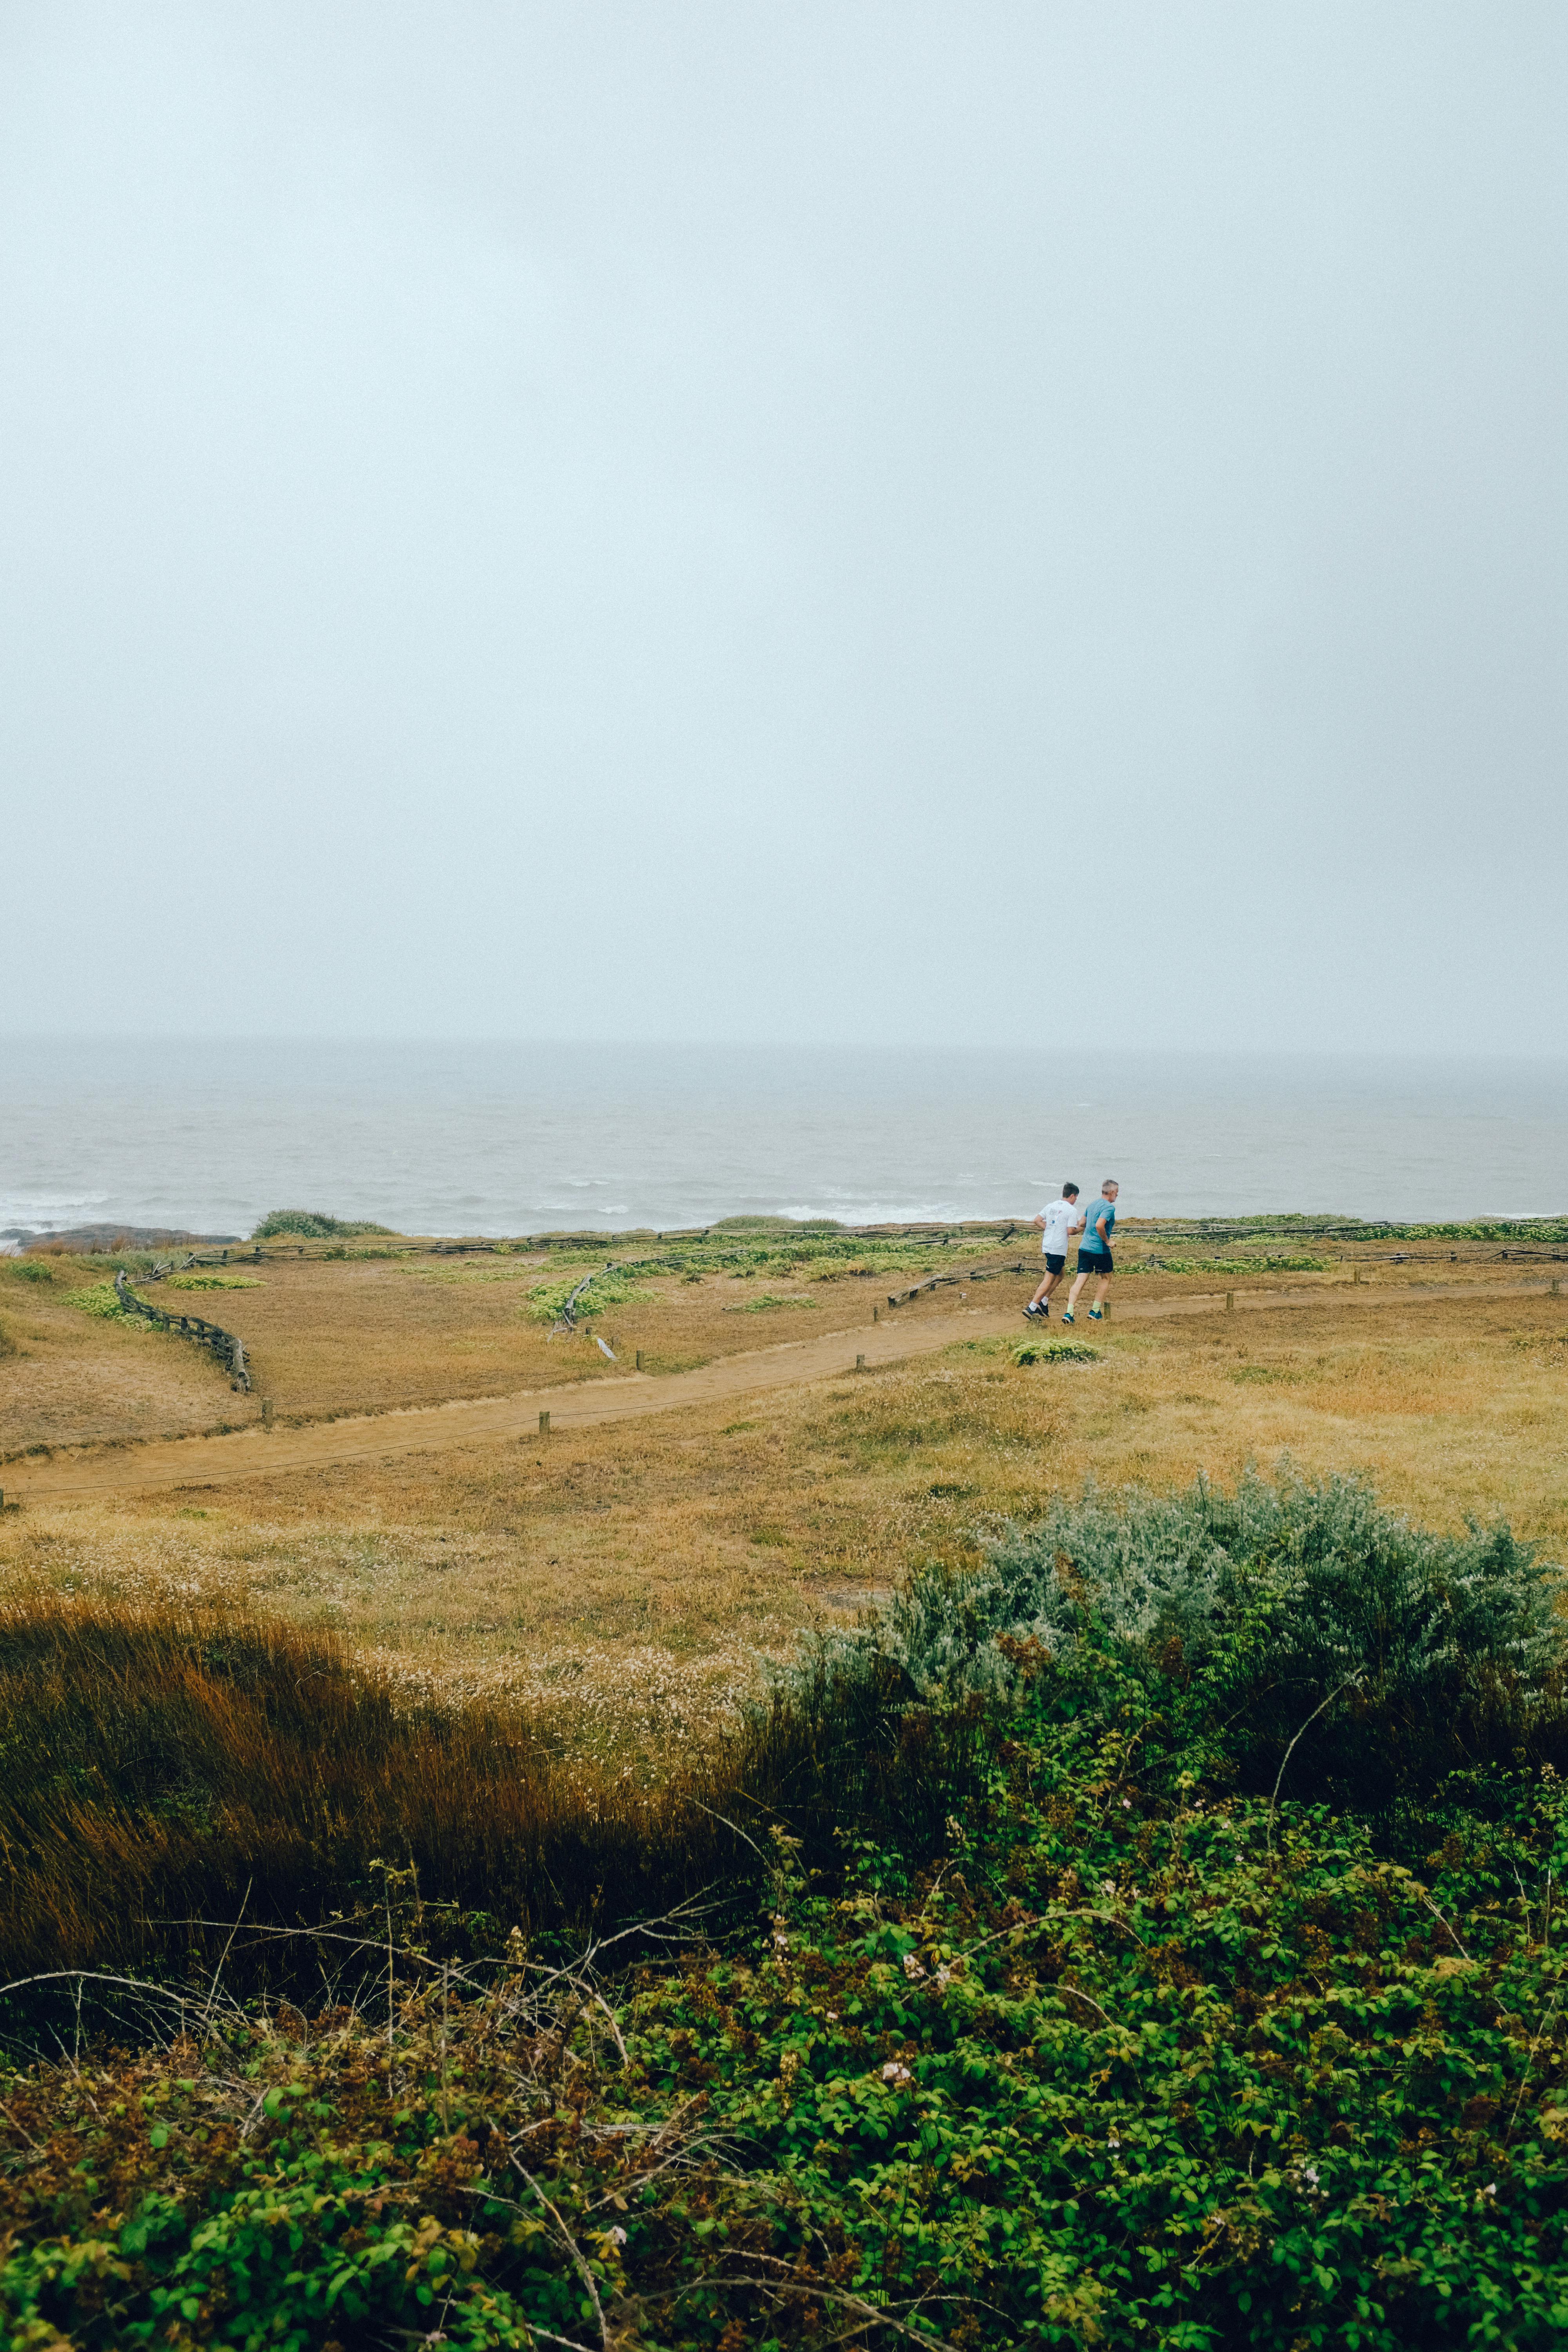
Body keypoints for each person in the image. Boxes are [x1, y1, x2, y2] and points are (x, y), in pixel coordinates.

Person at [1062, 1179, 1119, 1323]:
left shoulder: (1092, 1204)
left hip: (1084, 1249)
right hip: (1099, 1250)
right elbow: (1100, 1226)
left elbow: (1082, 1223)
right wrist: (1107, 1241)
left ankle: (1069, 1313)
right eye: (1117, 1193)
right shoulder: (1109, 1208)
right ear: (1112, 1192)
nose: (1117, 1196)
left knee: (1080, 1280)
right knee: (1106, 1278)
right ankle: (1095, 1311)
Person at [1024, 1183, 1082, 1318]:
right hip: (1058, 1248)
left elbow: (1037, 1220)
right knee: (1049, 1279)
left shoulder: (1051, 1206)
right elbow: (1071, 1231)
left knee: (1061, 1274)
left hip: (1048, 1246)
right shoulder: (1071, 1210)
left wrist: (1049, 1229)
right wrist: (1082, 1228)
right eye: (1076, 1197)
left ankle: (1044, 1302)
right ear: (1072, 1195)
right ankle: (1032, 1306)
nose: (1076, 1200)